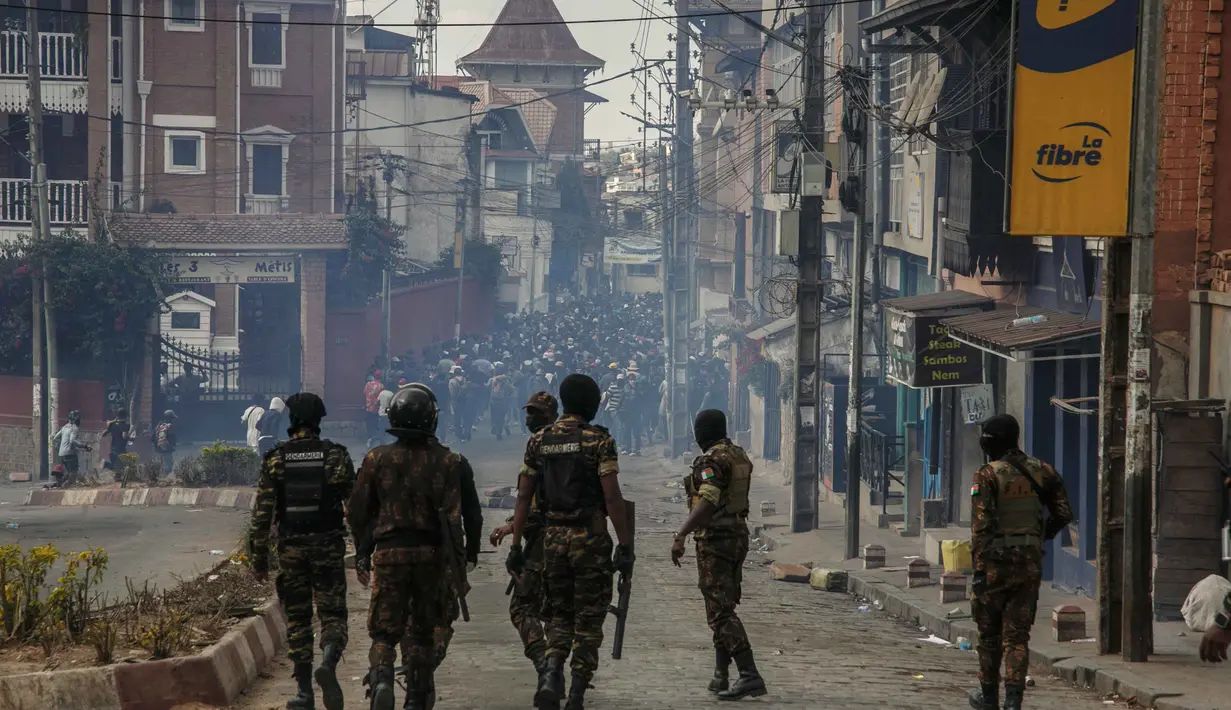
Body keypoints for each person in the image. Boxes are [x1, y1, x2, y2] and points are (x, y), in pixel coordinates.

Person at [506, 374, 634, 710]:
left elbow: (523, 497)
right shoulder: (598, 441)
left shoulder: (539, 441)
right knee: (589, 619)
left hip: (552, 539)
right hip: (590, 539)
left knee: (559, 615)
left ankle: (550, 674)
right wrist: (625, 546)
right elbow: (613, 497)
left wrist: (516, 546)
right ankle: (576, 693)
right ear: (592, 403)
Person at [348, 385, 473, 710]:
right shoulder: (448, 462)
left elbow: (357, 511)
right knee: (421, 632)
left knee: (384, 631)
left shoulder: (376, 459)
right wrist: (459, 567)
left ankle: (383, 677)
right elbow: (455, 521)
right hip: (432, 558)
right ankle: (416, 695)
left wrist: (364, 549)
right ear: (432, 418)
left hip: (389, 555)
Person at [248, 393, 355, 710]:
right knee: (333, 614)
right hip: (328, 547)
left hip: (291, 550)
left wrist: (259, 560)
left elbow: (262, 514)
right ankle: (329, 661)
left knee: (298, 620)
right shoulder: (335, 456)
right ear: (319, 421)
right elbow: (356, 507)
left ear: (290, 420)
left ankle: (305, 692)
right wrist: (363, 549)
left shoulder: (276, 459)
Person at [967, 414, 1073, 710]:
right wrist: (1039, 537)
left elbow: (981, 528)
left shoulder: (986, 475)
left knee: (988, 636)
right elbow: (1063, 513)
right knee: (1017, 636)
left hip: (993, 567)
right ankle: (1014, 701)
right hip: (1028, 566)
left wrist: (978, 571)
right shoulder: (1043, 471)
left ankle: (988, 697)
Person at [670, 409, 766, 700]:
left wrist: (682, 533)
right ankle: (720, 674)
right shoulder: (738, 455)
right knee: (723, 603)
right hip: (737, 536)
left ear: (702, 432)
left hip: (716, 540)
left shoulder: (710, 461)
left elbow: (708, 499)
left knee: (720, 611)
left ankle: (749, 674)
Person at [490, 392, 559, 678]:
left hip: (543, 545)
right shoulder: (581, 444)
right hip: (576, 540)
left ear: (551, 415)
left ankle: (545, 664)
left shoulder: (538, 445)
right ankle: (559, 665)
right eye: (529, 412)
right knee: (559, 613)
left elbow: (529, 502)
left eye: (537, 413)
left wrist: (514, 534)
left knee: (523, 608)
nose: (530, 418)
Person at [51, 410, 91, 487]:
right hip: (70, 454)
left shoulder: (65, 426)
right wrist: (85, 446)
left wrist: (62, 446)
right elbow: (73, 441)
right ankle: (66, 486)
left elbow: (55, 438)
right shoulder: (74, 428)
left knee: (68, 472)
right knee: (73, 473)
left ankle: (59, 484)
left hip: (62, 454)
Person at [103, 408, 132, 475]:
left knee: (114, 465)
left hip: (112, 448)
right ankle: (117, 476)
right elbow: (124, 436)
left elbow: (104, 434)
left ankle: (107, 465)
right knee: (121, 465)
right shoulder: (126, 426)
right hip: (121, 448)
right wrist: (131, 439)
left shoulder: (112, 425)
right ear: (125, 416)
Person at [152, 409, 177, 474]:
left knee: (161, 466)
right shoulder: (169, 426)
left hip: (159, 449)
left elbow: (152, 438)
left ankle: (159, 478)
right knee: (168, 467)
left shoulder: (158, 426)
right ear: (170, 418)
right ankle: (162, 479)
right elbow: (172, 438)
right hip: (167, 449)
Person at [364, 373, 385, 442]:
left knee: (369, 425)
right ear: (381, 377)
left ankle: (369, 439)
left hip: (368, 408)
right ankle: (375, 440)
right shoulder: (381, 386)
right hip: (376, 409)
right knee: (376, 425)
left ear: (373, 377)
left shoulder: (368, 384)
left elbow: (364, 393)